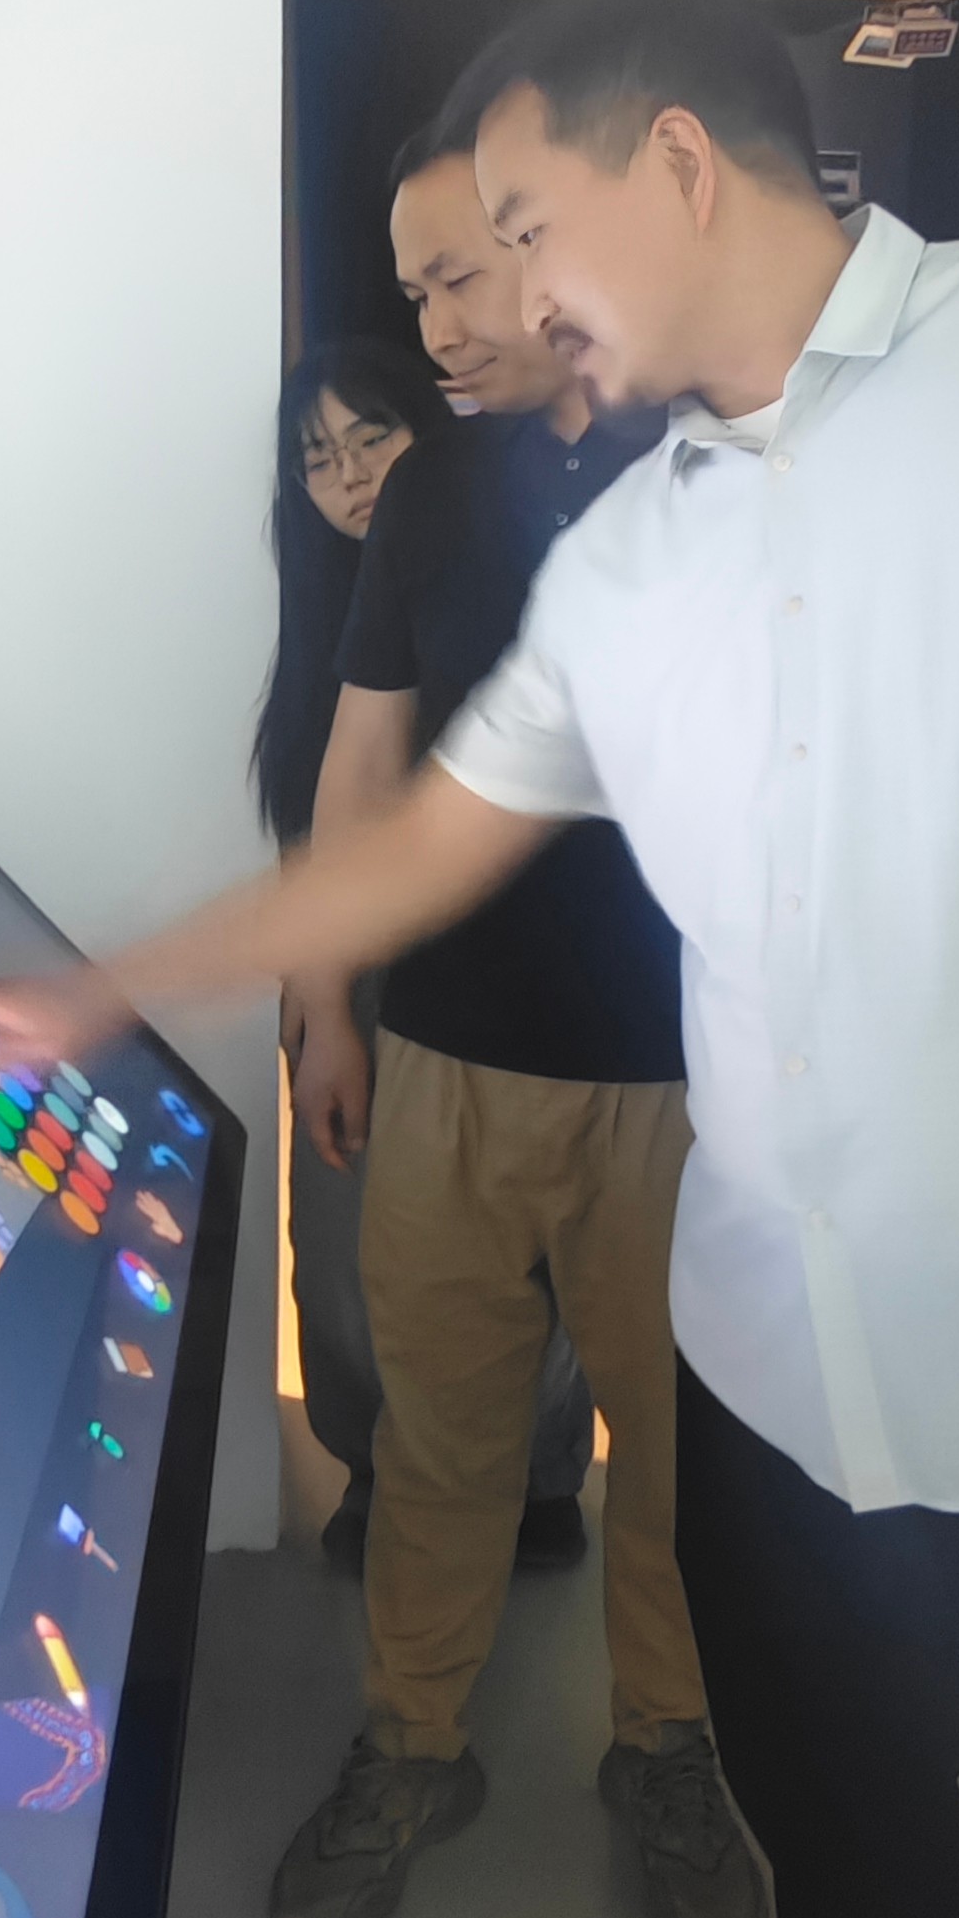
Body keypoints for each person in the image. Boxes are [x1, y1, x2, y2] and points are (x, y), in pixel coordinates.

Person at [0, 0, 959, 1918]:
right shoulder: (631, 555)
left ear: (682, 164)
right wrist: (88, 991)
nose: (513, 296)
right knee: (859, 1881)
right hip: (770, 1400)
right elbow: (415, 847)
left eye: (529, 229)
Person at [261, 122, 747, 1918]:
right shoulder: (437, 496)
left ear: (556, 242)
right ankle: (411, 1740)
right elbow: (361, 753)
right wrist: (326, 999)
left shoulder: (718, 457)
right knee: (442, 1442)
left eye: (461, 272)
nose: (438, 326)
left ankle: (671, 1744)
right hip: (451, 1063)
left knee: (678, 1455)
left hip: (682, 1079)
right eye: (412, 291)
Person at [255, 343, 593, 1576]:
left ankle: (543, 1471)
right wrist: (320, 996)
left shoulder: (509, 573)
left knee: (535, 1244)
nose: (351, 478)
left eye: (373, 439)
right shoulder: (312, 629)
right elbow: (318, 835)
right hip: (354, 968)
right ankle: (372, 1467)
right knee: (346, 1244)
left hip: (520, 970)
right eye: (318, 458)